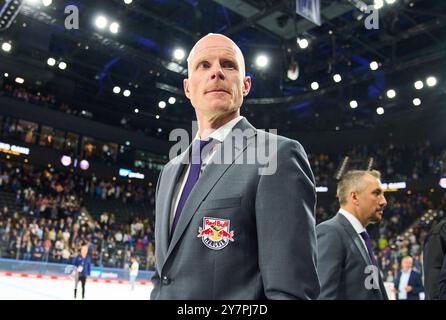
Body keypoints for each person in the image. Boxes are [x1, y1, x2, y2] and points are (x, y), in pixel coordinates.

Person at [150, 33, 319, 300]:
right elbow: (164, 278)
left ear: (245, 85)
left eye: (228, 65)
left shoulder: (277, 155)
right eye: (203, 65)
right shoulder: (169, 171)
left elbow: (291, 291)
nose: (216, 72)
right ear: (187, 88)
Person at [316, 170, 389, 300]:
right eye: (376, 193)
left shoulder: (360, 235)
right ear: (354, 197)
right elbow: (324, 296)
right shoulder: (331, 232)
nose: (384, 201)